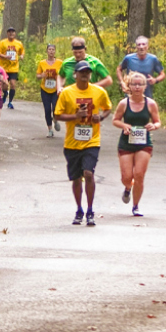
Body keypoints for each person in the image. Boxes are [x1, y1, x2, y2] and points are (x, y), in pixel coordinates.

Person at [54, 61, 113, 226]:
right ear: (75, 75)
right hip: (72, 143)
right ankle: (79, 209)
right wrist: (75, 117)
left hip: (92, 141)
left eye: (87, 72)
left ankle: (90, 210)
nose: (85, 75)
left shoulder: (98, 91)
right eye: (82, 72)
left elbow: (108, 107)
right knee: (76, 178)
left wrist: (100, 117)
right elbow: (57, 115)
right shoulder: (66, 93)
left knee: (88, 173)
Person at [113, 72, 161, 217]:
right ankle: (128, 188)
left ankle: (135, 206)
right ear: (130, 86)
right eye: (134, 84)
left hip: (144, 143)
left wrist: (154, 126)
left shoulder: (150, 104)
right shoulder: (124, 103)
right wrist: (124, 126)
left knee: (139, 175)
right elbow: (115, 120)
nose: (137, 87)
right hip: (126, 143)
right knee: (127, 177)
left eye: (140, 84)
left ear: (145, 86)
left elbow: (158, 121)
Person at [0, 27, 26, 109]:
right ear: (7, 33)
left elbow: (22, 51)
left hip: (14, 67)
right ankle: (5, 93)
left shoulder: (18, 43)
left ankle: (10, 102)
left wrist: (22, 56)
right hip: (4, 68)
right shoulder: (3, 43)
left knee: (13, 84)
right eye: (9, 32)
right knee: (4, 85)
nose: (11, 33)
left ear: (15, 34)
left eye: (13, 32)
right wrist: (5, 56)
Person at [36, 43, 61, 137]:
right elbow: (37, 75)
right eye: (49, 49)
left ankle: (55, 119)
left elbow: (63, 74)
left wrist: (59, 78)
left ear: (55, 51)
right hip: (45, 89)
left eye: (53, 50)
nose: (51, 51)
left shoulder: (60, 62)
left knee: (55, 107)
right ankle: (50, 129)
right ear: (47, 51)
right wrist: (41, 75)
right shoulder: (42, 63)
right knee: (47, 109)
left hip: (55, 89)